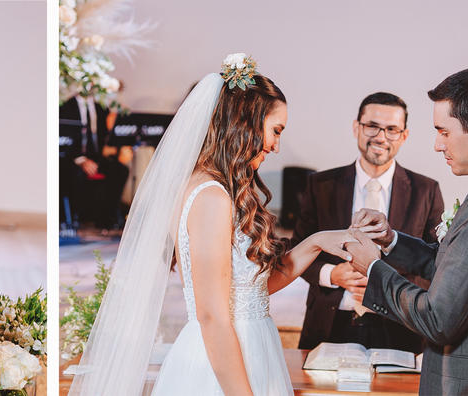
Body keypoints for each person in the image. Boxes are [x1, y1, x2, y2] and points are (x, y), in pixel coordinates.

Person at [67, 55, 356, 396]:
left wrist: (317, 242)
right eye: (275, 131)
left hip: (251, 350)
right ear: (245, 122)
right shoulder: (211, 199)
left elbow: (252, 291)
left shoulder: (216, 190)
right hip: (221, 366)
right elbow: (212, 318)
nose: (276, 146)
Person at [341, 66, 468, 394]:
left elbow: (437, 319)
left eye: (444, 132)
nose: (438, 145)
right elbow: (461, 271)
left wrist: (372, 267)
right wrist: (392, 241)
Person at [292, 92, 444, 354]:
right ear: (356, 127)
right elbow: (297, 250)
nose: (381, 137)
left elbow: (436, 266)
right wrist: (331, 274)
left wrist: (385, 287)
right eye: (372, 126)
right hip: (330, 325)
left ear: (404, 135)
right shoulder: (321, 185)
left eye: (392, 129)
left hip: (399, 329)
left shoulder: (426, 190)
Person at [60, 94, 129, 231]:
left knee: (120, 170)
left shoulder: (101, 108)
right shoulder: (65, 107)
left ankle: (107, 217)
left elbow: (107, 136)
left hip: (96, 157)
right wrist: (81, 160)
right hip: (72, 158)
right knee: (76, 174)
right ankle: (76, 218)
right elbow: (63, 140)